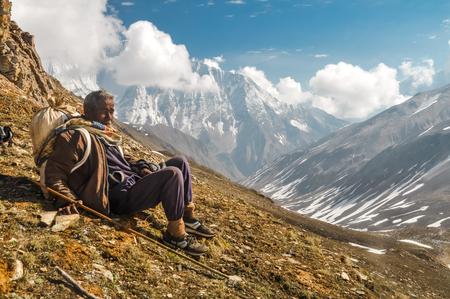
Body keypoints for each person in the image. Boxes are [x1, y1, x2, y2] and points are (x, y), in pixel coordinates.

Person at [44, 89, 215, 256]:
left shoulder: (105, 134)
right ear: (87, 111)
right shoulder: (76, 136)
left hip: (130, 183)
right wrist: (68, 198)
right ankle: (175, 235)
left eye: (112, 112)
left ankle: (188, 217)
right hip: (116, 196)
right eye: (105, 112)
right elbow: (55, 173)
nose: (110, 117)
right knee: (172, 174)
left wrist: (141, 167)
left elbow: (125, 159)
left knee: (180, 162)